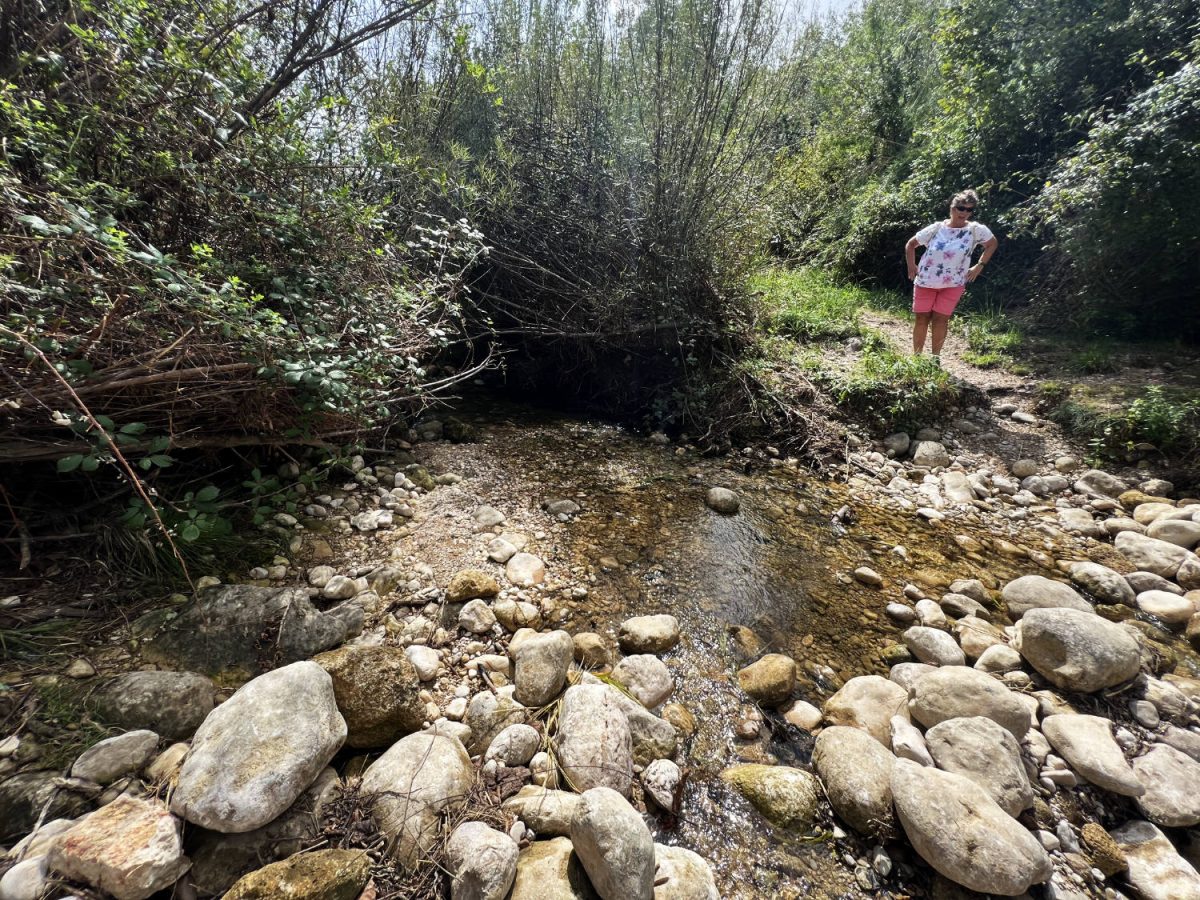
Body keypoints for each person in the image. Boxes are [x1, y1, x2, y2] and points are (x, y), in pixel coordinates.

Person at [905, 190, 998, 359]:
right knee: (921, 318)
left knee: (941, 320)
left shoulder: (976, 230)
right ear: (952, 208)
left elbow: (992, 244)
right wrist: (912, 265)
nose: (964, 213)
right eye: (961, 208)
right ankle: (916, 358)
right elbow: (911, 244)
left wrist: (979, 266)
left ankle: (935, 358)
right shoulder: (936, 228)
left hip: (953, 284)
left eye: (969, 210)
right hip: (926, 281)